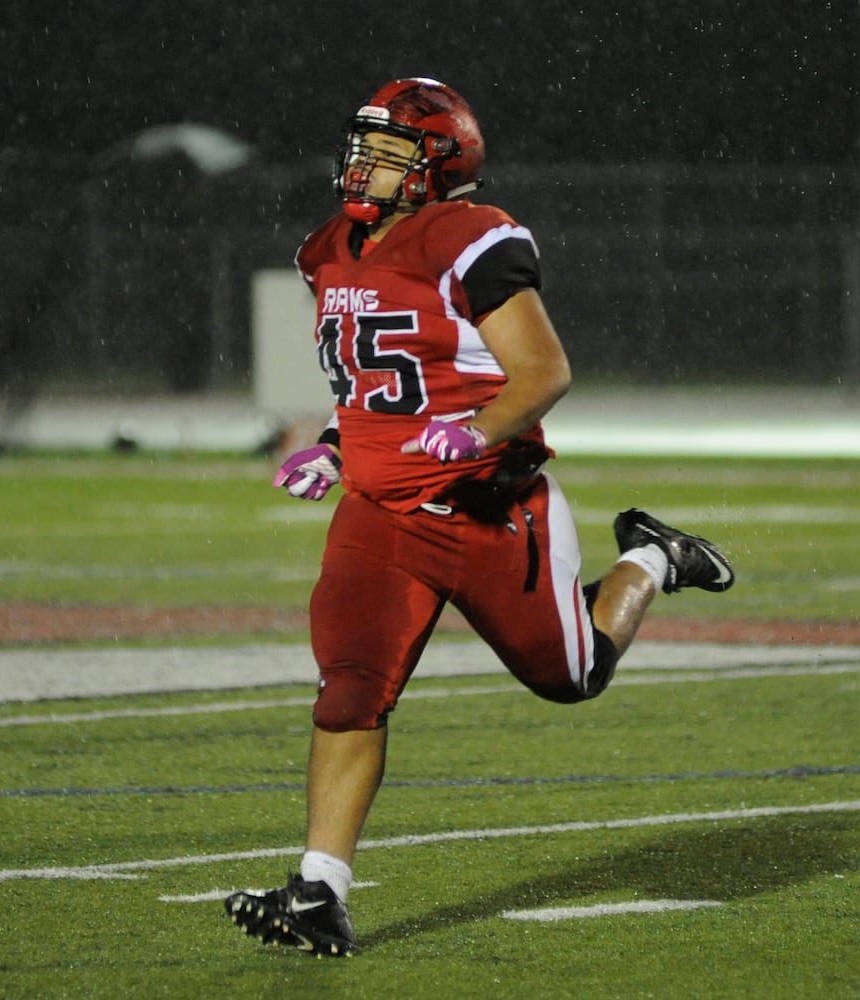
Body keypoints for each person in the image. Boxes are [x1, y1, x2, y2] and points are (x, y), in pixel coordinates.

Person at [223, 78, 734, 957]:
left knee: (569, 677)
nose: (364, 166)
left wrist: (477, 433)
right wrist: (342, 450)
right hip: (381, 513)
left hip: (488, 509)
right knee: (349, 692)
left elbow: (543, 372)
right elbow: (379, 387)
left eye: (388, 154)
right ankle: (319, 892)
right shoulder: (328, 250)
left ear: (436, 165)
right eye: (363, 147)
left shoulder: (468, 236)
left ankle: (649, 559)